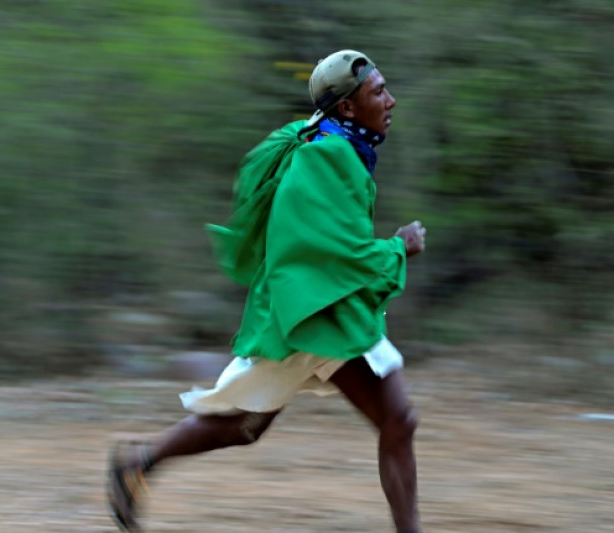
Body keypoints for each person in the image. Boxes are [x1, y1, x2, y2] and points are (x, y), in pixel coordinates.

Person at [107, 49, 426, 533]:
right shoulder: (329, 156)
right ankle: (138, 462)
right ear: (346, 107)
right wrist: (398, 248)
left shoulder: (330, 143)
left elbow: (325, 244)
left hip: (321, 305)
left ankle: (139, 462)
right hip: (315, 313)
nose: (391, 100)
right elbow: (331, 250)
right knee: (389, 420)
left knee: (248, 425)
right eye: (379, 91)